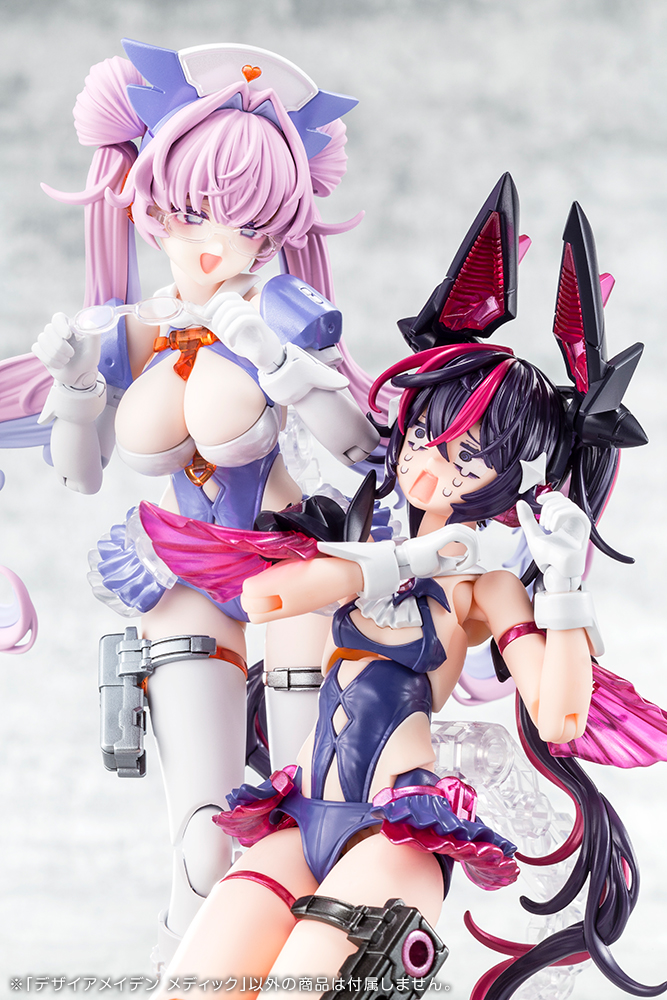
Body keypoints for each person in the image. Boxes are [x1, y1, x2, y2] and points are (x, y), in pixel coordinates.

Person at [138, 178, 667, 998]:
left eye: (464, 457)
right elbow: (268, 600)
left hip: (393, 830)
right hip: (299, 815)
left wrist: (562, 581)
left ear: (507, 476)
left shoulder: (488, 588)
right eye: (422, 434)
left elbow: (560, 717)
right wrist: (398, 556)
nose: (425, 464)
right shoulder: (371, 527)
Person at [26, 38, 382, 964]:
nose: (214, 240)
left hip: (286, 565)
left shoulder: (282, 311)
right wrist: (73, 385)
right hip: (180, 566)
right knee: (201, 841)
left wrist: (276, 361)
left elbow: (361, 447)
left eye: (246, 220)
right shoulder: (132, 329)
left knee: (307, 823)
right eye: (188, 213)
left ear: (277, 226)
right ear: (147, 208)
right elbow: (80, 475)